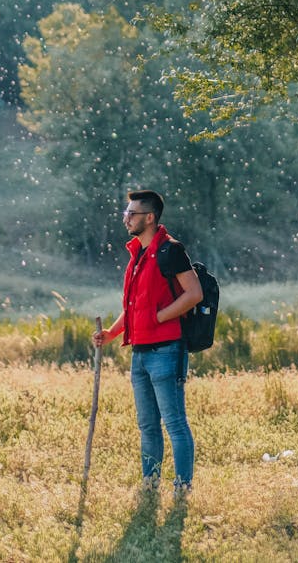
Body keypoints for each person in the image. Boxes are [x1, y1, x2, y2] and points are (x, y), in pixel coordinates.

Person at [92, 189, 202, 497]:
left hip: (167, 350)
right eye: (126, 213)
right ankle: (150, 484)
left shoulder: (170, 250)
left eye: (132, 214)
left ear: (150, 217)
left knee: (175, 424)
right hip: (139, 354)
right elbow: (133, 307)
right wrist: (111, 334)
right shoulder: (137, 254)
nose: (126, 218)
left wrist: (159, 317)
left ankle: (182, 488)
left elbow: (194, 295)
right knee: (148, 426)